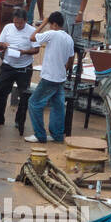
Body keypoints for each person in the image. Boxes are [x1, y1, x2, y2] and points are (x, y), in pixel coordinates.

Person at [26, 12, 75, 144]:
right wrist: (64, 70)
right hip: (60, 77)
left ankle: (40, 135)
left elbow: (32, 38)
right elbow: (71, 58)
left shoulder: (52, 33)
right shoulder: (69, 38)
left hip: (50, 77)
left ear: (53, 24)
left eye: (49, 24)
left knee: (34, 103)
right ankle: (57, 135)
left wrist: (43, 22)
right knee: (58, 106)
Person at [0, 7, 37, 134]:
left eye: (20, 23)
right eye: (15, 22)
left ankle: (19, 121)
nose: (17, 25)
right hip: (8, 65)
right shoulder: (8, 28)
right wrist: (4, 45)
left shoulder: (32, 31)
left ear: (26, 21)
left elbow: (36, 49)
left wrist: (25, 52)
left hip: (24, 67)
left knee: (24, 95)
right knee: (0, 92)